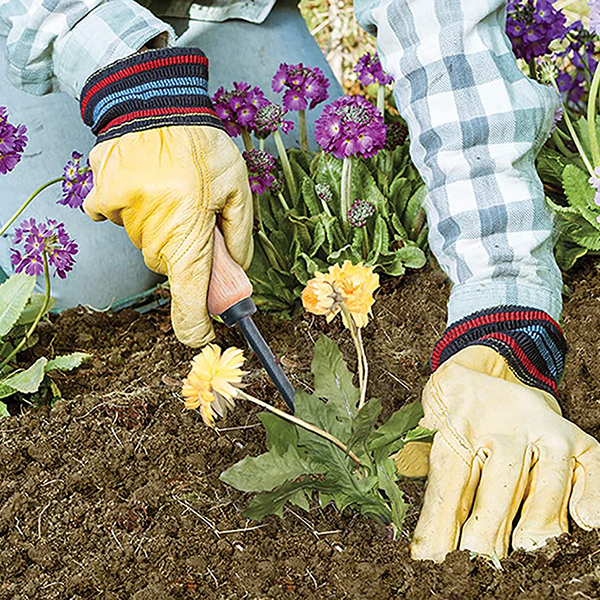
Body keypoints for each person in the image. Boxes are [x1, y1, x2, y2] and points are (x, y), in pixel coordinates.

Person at [1, 0, 599, 562]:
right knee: (88, 267)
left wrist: (502, 306)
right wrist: (137, 94)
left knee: (290, 159)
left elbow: (444, 34)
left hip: (227, 7)